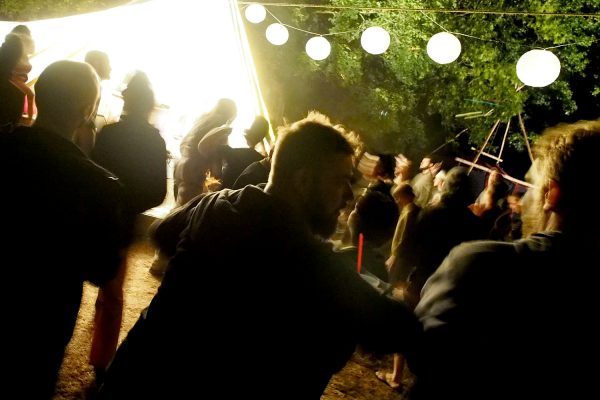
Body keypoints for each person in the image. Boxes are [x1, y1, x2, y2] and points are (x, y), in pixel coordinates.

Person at [99, 112, 421, 399]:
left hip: (134, 375)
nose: (349, 196)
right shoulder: (315, 264)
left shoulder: (213, 204)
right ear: (304, 180)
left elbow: (162, 234)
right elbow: (398, 328)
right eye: (340, 181)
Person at [407, 120, 600, 400]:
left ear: (552, 194)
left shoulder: (480, 265)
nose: (522, 201)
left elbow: (423, 354)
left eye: (533, 185)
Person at [1, 60, 126, 398]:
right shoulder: (98, 184)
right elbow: (102, 267)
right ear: (88, 109)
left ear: (38, 97)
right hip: (45, 316)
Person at [89, 71, 167, 382]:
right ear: (149, 105)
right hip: (123, 222)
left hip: (95, 213)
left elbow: (93, 170)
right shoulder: (154, 140)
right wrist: (130, 201)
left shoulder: (108, 133)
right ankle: (101, 359)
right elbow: (158, 191)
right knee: (114, 292)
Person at [74, 50, 112, 155]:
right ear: (96, 63)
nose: (111, 68)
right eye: (108, 63)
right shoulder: (91, 87)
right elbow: (84, 120)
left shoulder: (91, 84)